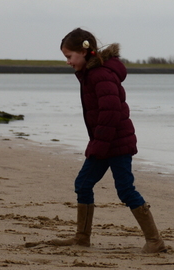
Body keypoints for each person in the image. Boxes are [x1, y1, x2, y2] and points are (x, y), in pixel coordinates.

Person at [49, 28, 166, 253]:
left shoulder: (100, 74)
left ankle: (154, 240)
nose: (67, 62)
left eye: (69, 56)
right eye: (65, 57)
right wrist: (99, 144)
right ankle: (82, 237)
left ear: (84, 52)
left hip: (116, 144)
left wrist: (99, 145)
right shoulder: (89, 74)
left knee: (125, 190)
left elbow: (111, 111)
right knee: (83, 184)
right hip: (104, 143)